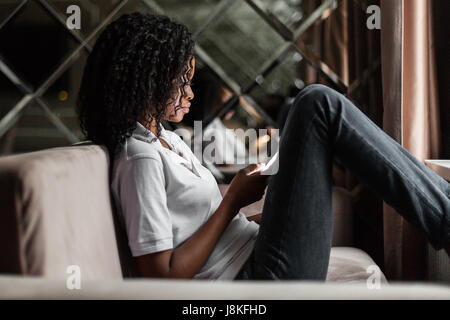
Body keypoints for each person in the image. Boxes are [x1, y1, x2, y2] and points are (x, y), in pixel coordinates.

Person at [77, 13, 450, 280]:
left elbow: (203, 227)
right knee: (316, 103)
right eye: (180, 82)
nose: (191, 94)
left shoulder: (166, 139)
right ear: (146, 83)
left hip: (260, 250)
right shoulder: (139, 158)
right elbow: (163, 275)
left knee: (308, 111)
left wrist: (275, 207)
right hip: (259, 276)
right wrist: (232, 202)